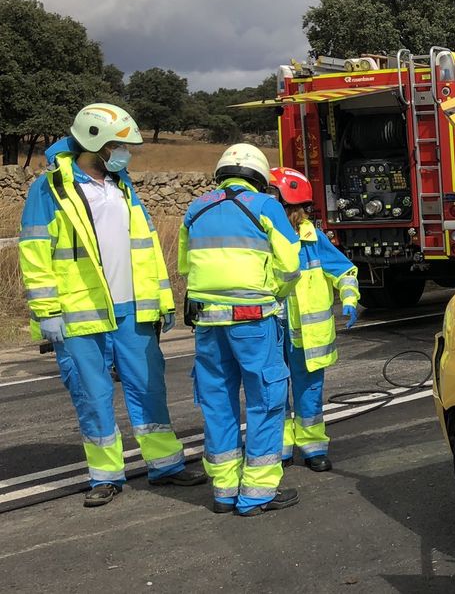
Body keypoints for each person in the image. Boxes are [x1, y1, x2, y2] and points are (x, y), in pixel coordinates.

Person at [19, 103, 205, 507]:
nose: (126, 153)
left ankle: (166, 465)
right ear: (94, 142)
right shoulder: (50, 189)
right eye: (119, 145)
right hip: (80, 314)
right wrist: (47, 311)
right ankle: (105, 476)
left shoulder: (123, 185)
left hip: (133, 310)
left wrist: (161, 299)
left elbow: (147, 246)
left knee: (149, 387)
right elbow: (34, 253)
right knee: (92, 394)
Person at [179, 144, 301, 516]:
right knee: (266, 401)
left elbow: (186, 265)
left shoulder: (195, 209)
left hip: (207, 324)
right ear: (260, 177)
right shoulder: (266, 206)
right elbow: (291, 263)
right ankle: (257, 494)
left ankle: (224, 490)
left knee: (217, 403)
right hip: (253, 321)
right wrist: (274, 295)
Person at [268, 167, 359, 472]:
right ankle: (278, 447)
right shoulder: (259, 237)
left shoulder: (312, 238)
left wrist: (349, 298)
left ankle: (312, 447)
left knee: (308, 394)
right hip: (272, 330)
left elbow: (344, 271)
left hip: (306, 336)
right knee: (274, 391)